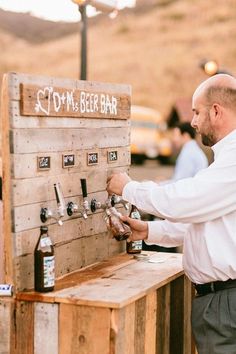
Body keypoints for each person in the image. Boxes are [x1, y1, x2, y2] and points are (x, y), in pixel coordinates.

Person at [107, 74, 236, 354]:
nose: (192, 122)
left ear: (216, 111)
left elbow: (185, 201)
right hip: (221, 300)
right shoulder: (225, 157)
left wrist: (129, 188)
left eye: (197, 112)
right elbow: (207, 221)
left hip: (226, 302)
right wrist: (151, 231)